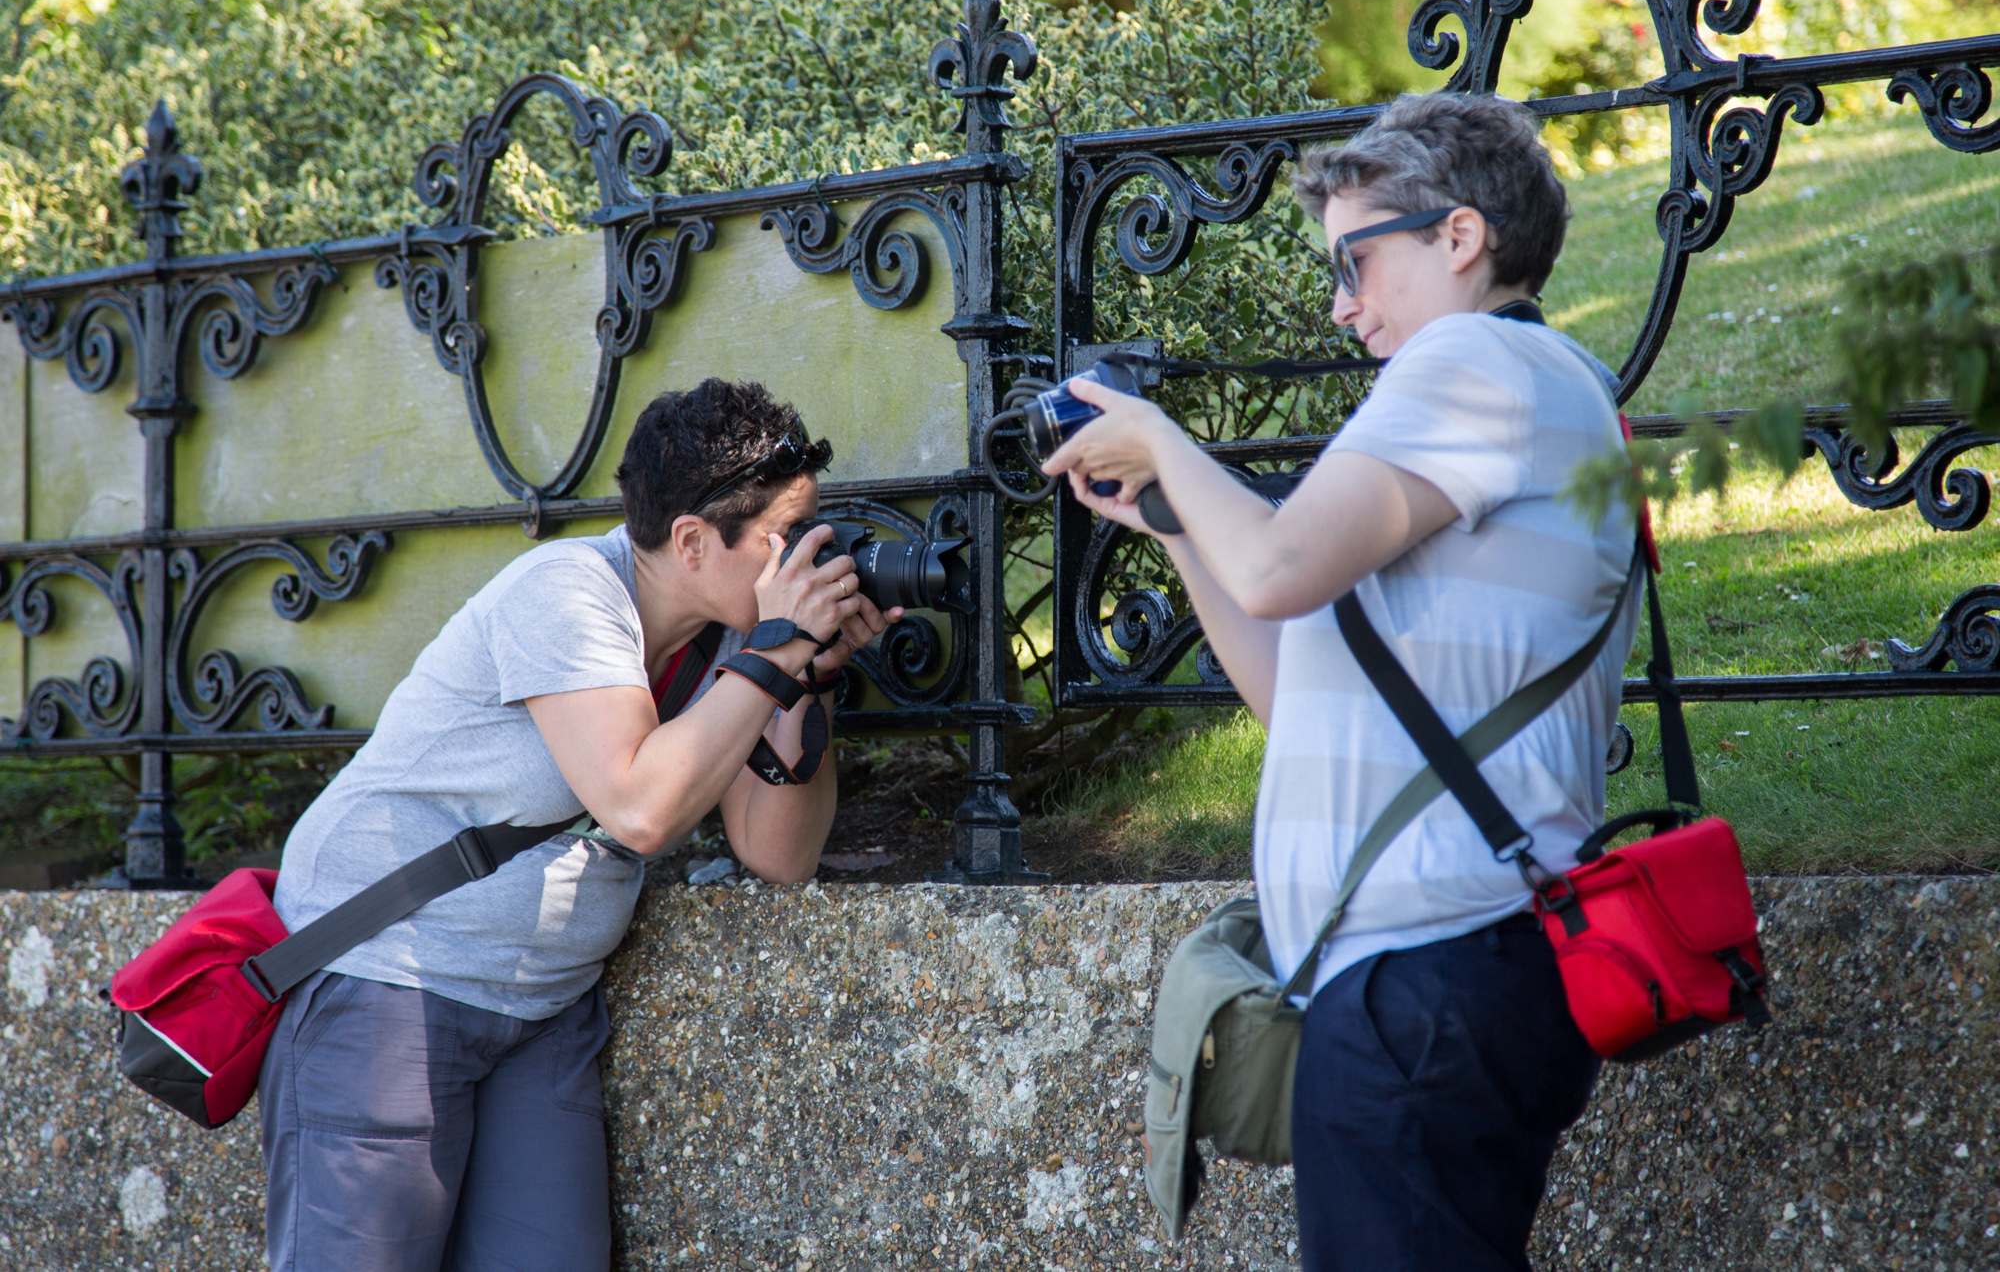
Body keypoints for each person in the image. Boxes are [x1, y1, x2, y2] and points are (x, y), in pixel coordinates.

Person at [1043, 93, 1638, 1271]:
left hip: (1430, 978)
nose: (1341, 304)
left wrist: (1165, 441)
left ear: (1457, 237)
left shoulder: (1473, 359)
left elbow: (1270, 565)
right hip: (1438, 975)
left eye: (1356, 261)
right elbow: (1289, 683)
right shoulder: (1526, 387)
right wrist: (1170, 521)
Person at [259, 377, 895, 1272]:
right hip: (391, 981)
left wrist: (810, 675)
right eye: (783, 540)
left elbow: (777, 853)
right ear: (690, 541)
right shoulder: (562, 591)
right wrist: (777, 648)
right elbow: (640, 807)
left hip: (542, 1009)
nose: (807, 561)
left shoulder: (734, 638)